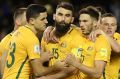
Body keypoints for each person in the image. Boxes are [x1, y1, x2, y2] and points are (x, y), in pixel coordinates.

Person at [3, 4, 66, 79]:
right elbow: (38, 72)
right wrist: (55, 67)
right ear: (32, 21)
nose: (46, 21)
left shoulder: (18, 32)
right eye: (42, 19)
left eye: (46, 18)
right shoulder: (31, 38)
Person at [40, 2, 86, 79]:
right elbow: (40, 62)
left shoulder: (79, 36)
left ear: (72, 19)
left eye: (67, 16)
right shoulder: (46, 36)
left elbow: (73, 69)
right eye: (60, 14)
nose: (63, 19)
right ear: (54, 16)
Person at [64, 6, 111, 79]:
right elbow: (63, 26)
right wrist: (50, 29)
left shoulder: (102, 41)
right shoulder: (77, 33)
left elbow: (97, 73)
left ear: (95, 23)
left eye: (85, 21)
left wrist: (75, 64)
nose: (81, 24)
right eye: (80, 21)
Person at [89, 13, 120, 79]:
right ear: (100, 26)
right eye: (106, 24)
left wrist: (102, 33)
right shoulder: (94, 38)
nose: (109, 27)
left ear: (116, 27)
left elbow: (118, 49)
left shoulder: (118, 37)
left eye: (112, 25)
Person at [0, 8, 27, 77]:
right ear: (18, 21)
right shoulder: (5, 42)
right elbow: (2, 71)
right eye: (27, 17)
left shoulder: (29, 39)